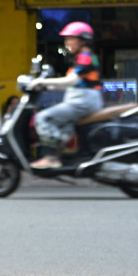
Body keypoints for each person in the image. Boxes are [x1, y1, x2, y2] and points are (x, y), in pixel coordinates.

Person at [29, 21, 103, 169]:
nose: (67, 42)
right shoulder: (83, 58)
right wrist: (47, 87)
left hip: (83, 102)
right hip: (82, 100)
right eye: (66, 39)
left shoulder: (85, 57)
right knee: (64, 127)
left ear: (83, 40)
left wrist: (41, 82)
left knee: (42, 118)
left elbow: (71, 81)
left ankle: (51, 158)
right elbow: (74, 84)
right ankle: (65, 157)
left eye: (70, 38)